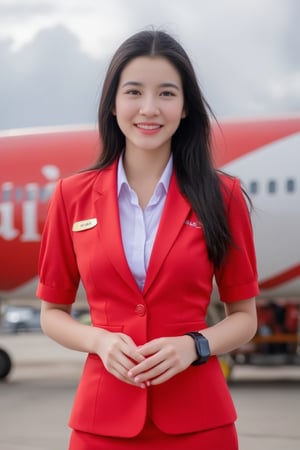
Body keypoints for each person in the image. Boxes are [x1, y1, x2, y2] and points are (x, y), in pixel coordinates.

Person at [37, 29, 259, 450]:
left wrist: (195, 345)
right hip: (102, 424)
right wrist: (99, 341)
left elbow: (245, 317)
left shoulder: (223, 196)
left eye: (167, 94)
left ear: (186, 105)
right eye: (134, 92)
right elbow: (52, 312)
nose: (149, 109)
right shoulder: (71, 196)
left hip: (200, 424)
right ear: (114, 103)